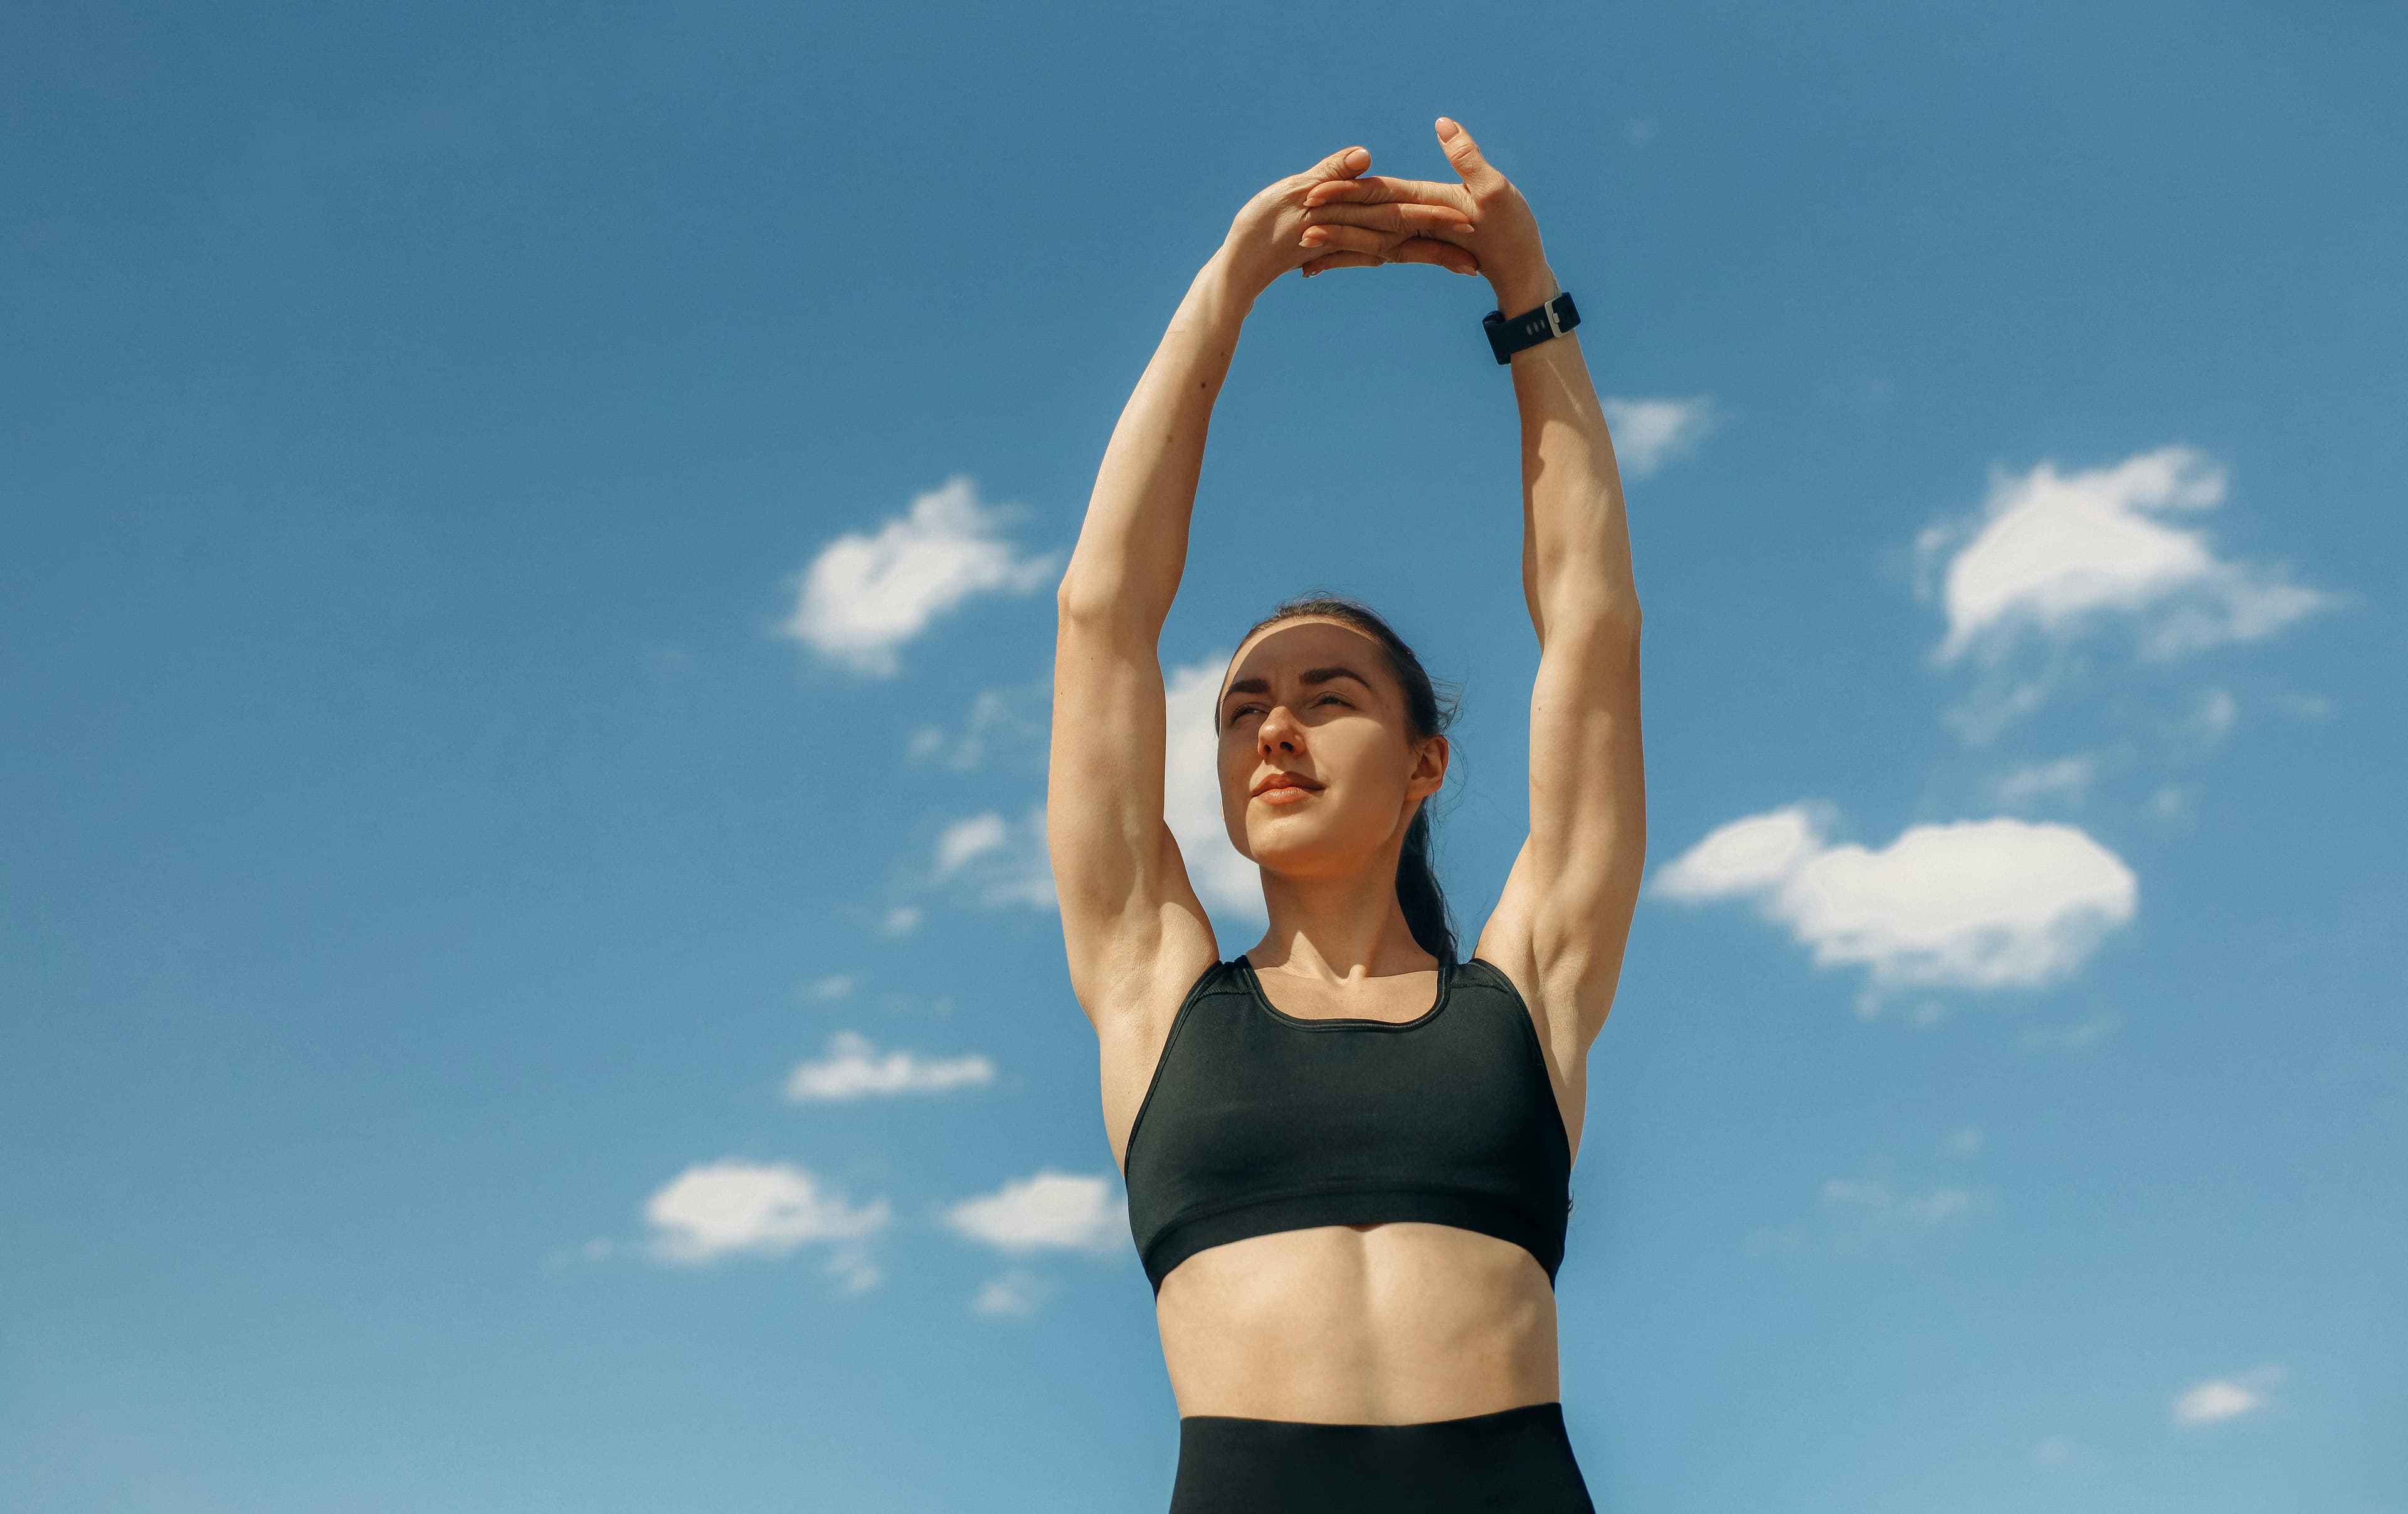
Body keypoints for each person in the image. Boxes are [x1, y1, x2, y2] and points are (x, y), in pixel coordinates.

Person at [1047, 116, 1646, 1513]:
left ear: (1427, 762)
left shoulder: (1529, 988)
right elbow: (1102, 618)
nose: (1273, 724)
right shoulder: (1156, 987)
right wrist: (1226, 290)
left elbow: (1593, 629)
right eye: (1243, 704)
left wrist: (1530, 303)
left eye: (1328, 696)